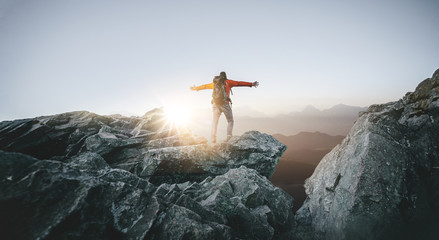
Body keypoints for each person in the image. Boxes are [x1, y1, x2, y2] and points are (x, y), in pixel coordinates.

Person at [190, 71, 259, 143]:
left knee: (215, 122)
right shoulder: (228, 82)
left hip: (215, 105)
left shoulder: (214, 84)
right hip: (225, 104)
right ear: (225, 76)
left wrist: (196, 88)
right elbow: (239, 83)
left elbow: (205, 86)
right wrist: (251, 84)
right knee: (230, 120)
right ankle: (229, 136)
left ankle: (213, 139)